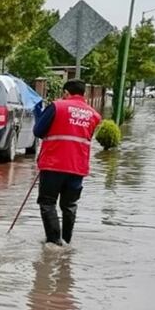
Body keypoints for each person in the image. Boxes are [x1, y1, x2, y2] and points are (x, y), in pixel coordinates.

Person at [33, 79, 101, 246]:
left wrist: (38, 115)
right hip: (78, 166)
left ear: (66, 92)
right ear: (83, 93)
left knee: (47, 202)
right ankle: (67, 241)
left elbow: (38, 131)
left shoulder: (57, 106)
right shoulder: (94, 114)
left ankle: (54, 243)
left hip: (53, 164)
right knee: (69, 205)